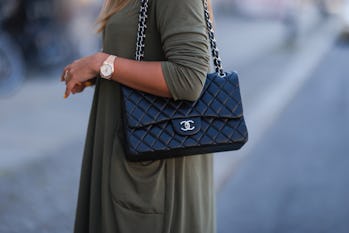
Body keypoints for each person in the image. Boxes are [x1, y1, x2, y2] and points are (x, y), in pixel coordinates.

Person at [61, 0, 215, 232]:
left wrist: (101, 64)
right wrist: (96, 72)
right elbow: (143, 51)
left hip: (154, 167)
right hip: (133, 155)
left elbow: (188, 78)